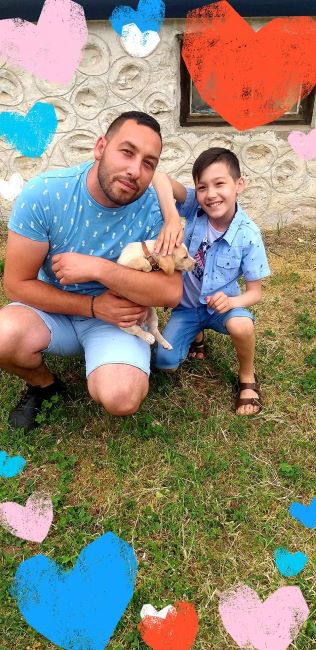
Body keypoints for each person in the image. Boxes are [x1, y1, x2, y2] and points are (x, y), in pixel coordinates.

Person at [0, 111, 183, 432]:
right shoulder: (45, 195)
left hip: (121, 319)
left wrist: (100, 269)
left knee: (122, 397)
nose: (134, 169)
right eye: (126, 152)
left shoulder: (153, 208)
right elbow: (16, 285)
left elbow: (170, 292)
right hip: (52, 309)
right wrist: (94, 307)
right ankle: (45, 386)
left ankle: (113, 362)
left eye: (148, 163)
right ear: (100, 147)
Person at [153, 147, 271, 415]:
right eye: (202, 187)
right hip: (186, 307)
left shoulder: (249, 235)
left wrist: (232, 301)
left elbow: (255, 293)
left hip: (223, 307)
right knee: (164, 363)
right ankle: (197, 336)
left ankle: (247, 378)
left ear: (239, 184)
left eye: (220, 184)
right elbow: (159, 177)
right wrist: (172, 218)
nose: (211, 194)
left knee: (241, 325)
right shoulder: (195, 206)